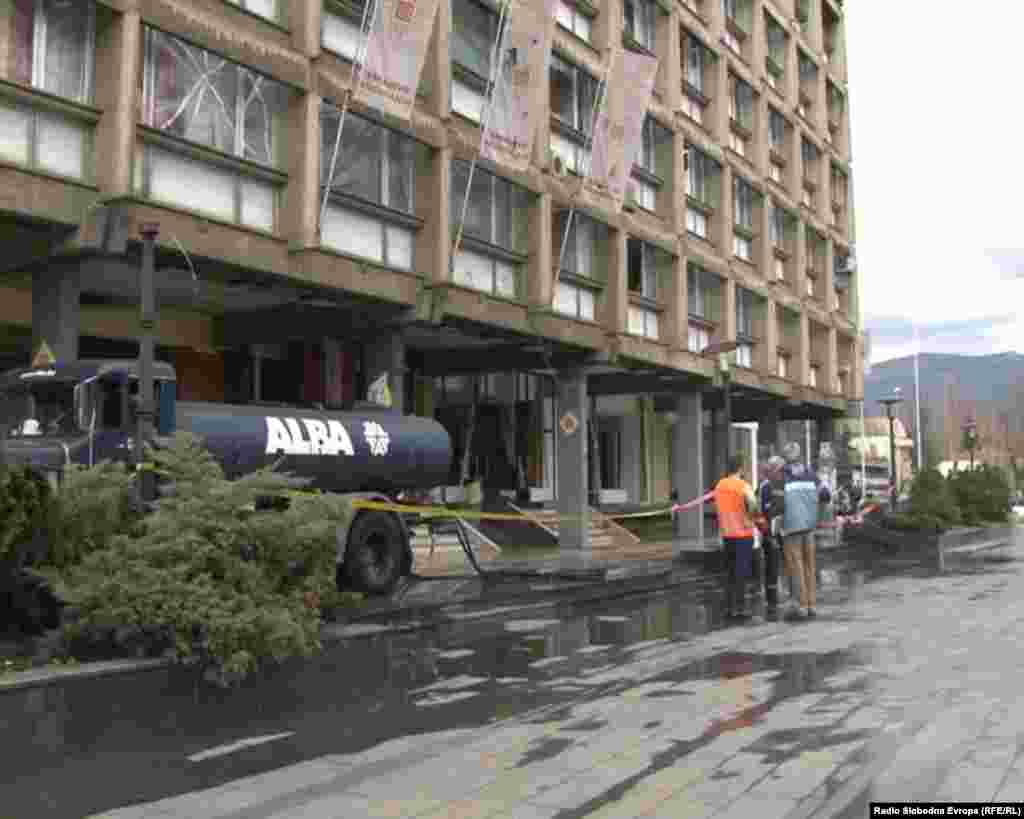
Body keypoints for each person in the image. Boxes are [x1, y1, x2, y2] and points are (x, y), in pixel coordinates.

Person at [780, 441, 831, 621]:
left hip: (791, 526)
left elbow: (776, 500)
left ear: (786, 458)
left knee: (797, 566)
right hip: (809, 525)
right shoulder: (810, 474)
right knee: (810, 565)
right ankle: (811, 604)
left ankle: (801, 605)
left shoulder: (783, 475)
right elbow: (826, 495)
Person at [713, 455, 759, 620]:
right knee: (741, 572)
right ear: (740, 468)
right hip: (743, 535)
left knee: (729, 572)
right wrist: (757, 523)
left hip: (727, 534)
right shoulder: (744, 486)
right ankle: (740, 607)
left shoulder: (719, 486)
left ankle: (728, 607)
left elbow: (717, 507)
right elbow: (754, 507)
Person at [757, 455, 786, 621]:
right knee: (771, 567)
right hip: (771, 533)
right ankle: (771, 600)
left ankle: (786, 596)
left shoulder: (785, 484)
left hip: (785, 532)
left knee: (787, 565)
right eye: (779, 469)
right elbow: (759, 512)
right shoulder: (765, 487)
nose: (782, 472)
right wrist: (767, 534)